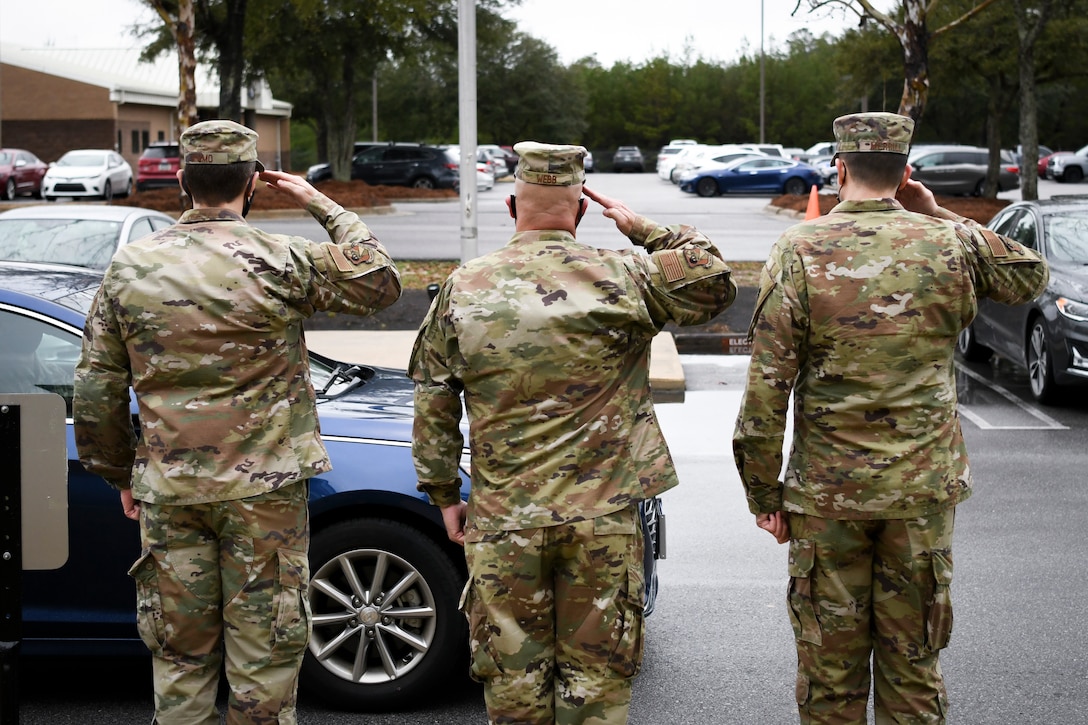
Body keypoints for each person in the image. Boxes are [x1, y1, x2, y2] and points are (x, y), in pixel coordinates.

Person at [73, 119, 401, 725]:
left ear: (180, 180)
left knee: (180, 664)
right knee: (264, 667)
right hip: (266, 494)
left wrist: (122, 472)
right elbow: (379, 279)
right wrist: (315, 200)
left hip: (171, 492)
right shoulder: (280, 260)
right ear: (252, 183)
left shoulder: (130, 269)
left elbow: (95, 389)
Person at [733, 112, 1049, 723]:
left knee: (830, 680)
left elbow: (767, 390)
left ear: (840, 168)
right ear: (907, 173)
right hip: (921, 493)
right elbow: (1028, 276)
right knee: (913, 671)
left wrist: (762, 492)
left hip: (826, 499)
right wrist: (938, 214)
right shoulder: (948, 245)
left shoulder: (799, 249)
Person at [410, 141, 737, 724]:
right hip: (602, 516)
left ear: (511, 207)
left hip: (503, 516)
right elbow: (713, 281)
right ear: (582, 211)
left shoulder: (465, 286)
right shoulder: (626, 275)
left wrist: (442, 494)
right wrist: (643, 228)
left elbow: (435, 397)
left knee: (513, 683)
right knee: (597, 682)